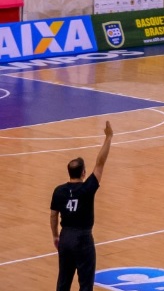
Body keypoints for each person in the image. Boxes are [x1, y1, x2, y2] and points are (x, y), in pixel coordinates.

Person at [50, 121, 113, 291]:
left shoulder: (59, 191)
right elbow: (100, 164)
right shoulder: (87, 189)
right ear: (84, 173)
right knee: (85, 283)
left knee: (63, 281)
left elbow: (53, 215)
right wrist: (108, 137)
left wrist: (56, 236)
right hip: (83, 238)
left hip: (65, 237)